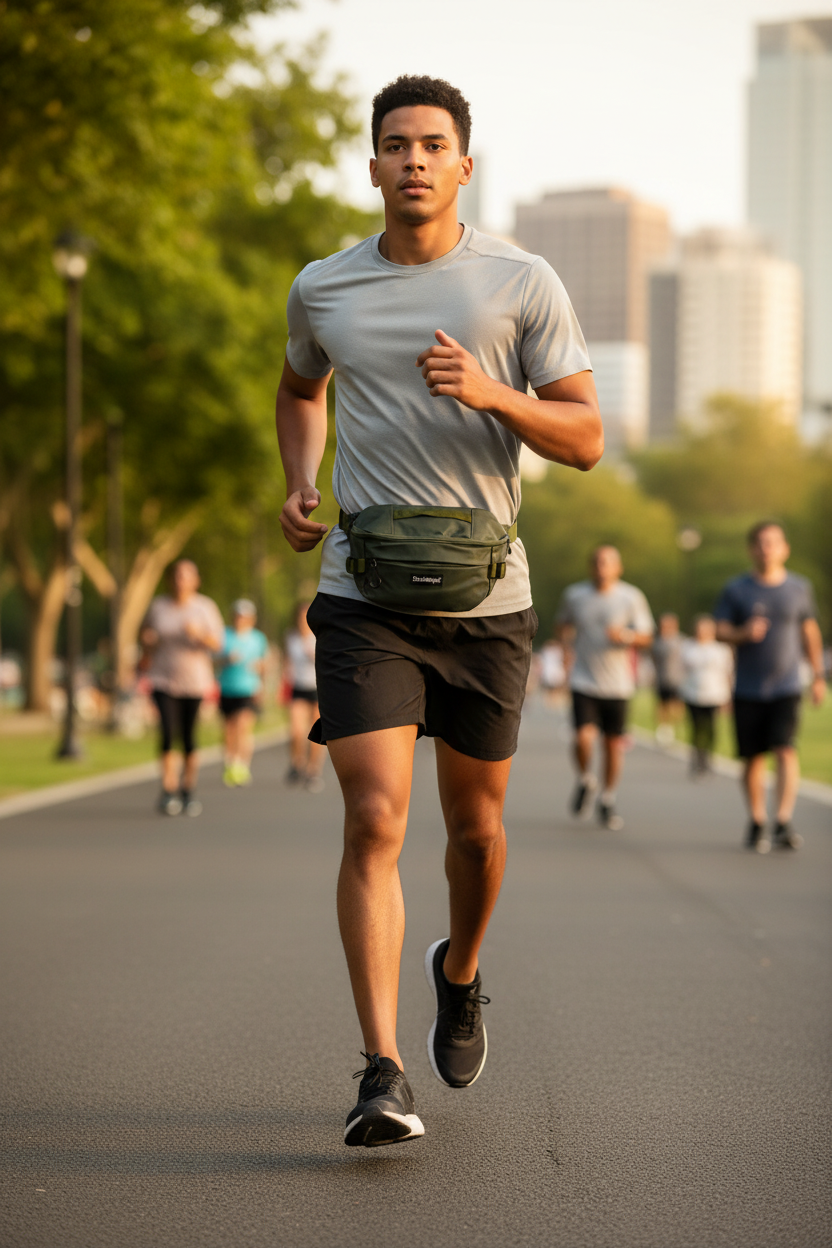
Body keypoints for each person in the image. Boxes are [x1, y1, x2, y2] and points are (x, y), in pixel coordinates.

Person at [275, 74, 602, 1148]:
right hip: (364, 592)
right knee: (373, 818)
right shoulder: (324, 286)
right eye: (393, 145)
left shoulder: (520, 278)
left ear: (464, 164)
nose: (412, 159)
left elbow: (586, 438)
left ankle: (458, 972)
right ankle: (381, 1070)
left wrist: (494, 392)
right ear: (370, 166)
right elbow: (297, 386)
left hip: (485, 601)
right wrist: (299, 478)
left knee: (478, 832)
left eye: (431, 144)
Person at [714, 521, 825, 852]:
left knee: (785, 749)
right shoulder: (736, 589)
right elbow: (718, 630)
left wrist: (817, 676)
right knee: (753, 759)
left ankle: (783, 820)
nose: (767, 548)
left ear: (785, 548)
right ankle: (758, 820)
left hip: (787, 685)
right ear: (751, 549)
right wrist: (742, 633)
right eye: (760, 543)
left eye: (773, 543)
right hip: (747, 686)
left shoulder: (799, 588)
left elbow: (809, 632)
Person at [556, 546, 655, 830]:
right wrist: (565, 655)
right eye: (597, 562)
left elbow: (647, 637)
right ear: (590, 567)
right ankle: (587, 779)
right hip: (584, 679)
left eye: (608, 563)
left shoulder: (631, 597)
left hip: (618, 684)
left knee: (612, 745)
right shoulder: (575, 595)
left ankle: (608, 798)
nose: (602, 567)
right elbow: (562, 626)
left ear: (618, 568)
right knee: (582, 738)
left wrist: (625, 635)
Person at [140, 559, 224, 816]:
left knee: (188, 736)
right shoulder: (158, 606)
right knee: (167, 732)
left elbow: (218, 644)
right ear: (170, 580)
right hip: (162, 679)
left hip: (194, 682)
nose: (180, 581)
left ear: (195, 581)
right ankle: (168, 790)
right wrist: (148, 641)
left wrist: (199, 635)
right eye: (177, 576)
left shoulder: (204, 607)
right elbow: (146, 638)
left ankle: (188, 790)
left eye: (186, 576)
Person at [219, 599, 268, 788]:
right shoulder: (225, 635)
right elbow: (213, 660)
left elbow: (265, 664)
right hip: (227, 687)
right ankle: (231, 763)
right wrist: (226, 659)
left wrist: (260, 673)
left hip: (249, 688)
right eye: (238, 616)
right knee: (229, 729)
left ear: (251, 619)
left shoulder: (258, 639)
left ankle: (242, 765)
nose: (241, 619)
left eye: (245, 617)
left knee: (243, 726)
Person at [679, 614, 733, 776]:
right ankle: (697, 757)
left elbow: (728, 673)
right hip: (692, 693)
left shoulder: (721, 649)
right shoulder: (688, 646)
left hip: (714, 694)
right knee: (695, 728)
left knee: (710, 728)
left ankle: (708, 758)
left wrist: (728, 697)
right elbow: (681, 671)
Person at [284, 602, 326, 792]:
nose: (302, 622)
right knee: (296, 731)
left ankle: (313, 770)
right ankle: (297, 763)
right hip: (298, 688)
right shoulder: (290, 637)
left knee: (316, 733)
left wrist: (315, 656)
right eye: (300, 618)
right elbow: (287, 662)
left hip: (318, 688)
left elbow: (329, 661)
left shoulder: (320, 637)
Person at [651, 612, 684, 745]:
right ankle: (664, 728)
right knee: (662, 705)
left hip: (677, 679)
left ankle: (672, 727)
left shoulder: (680, 641)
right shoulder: (657, 642)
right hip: (661, 678)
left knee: (675, 706)